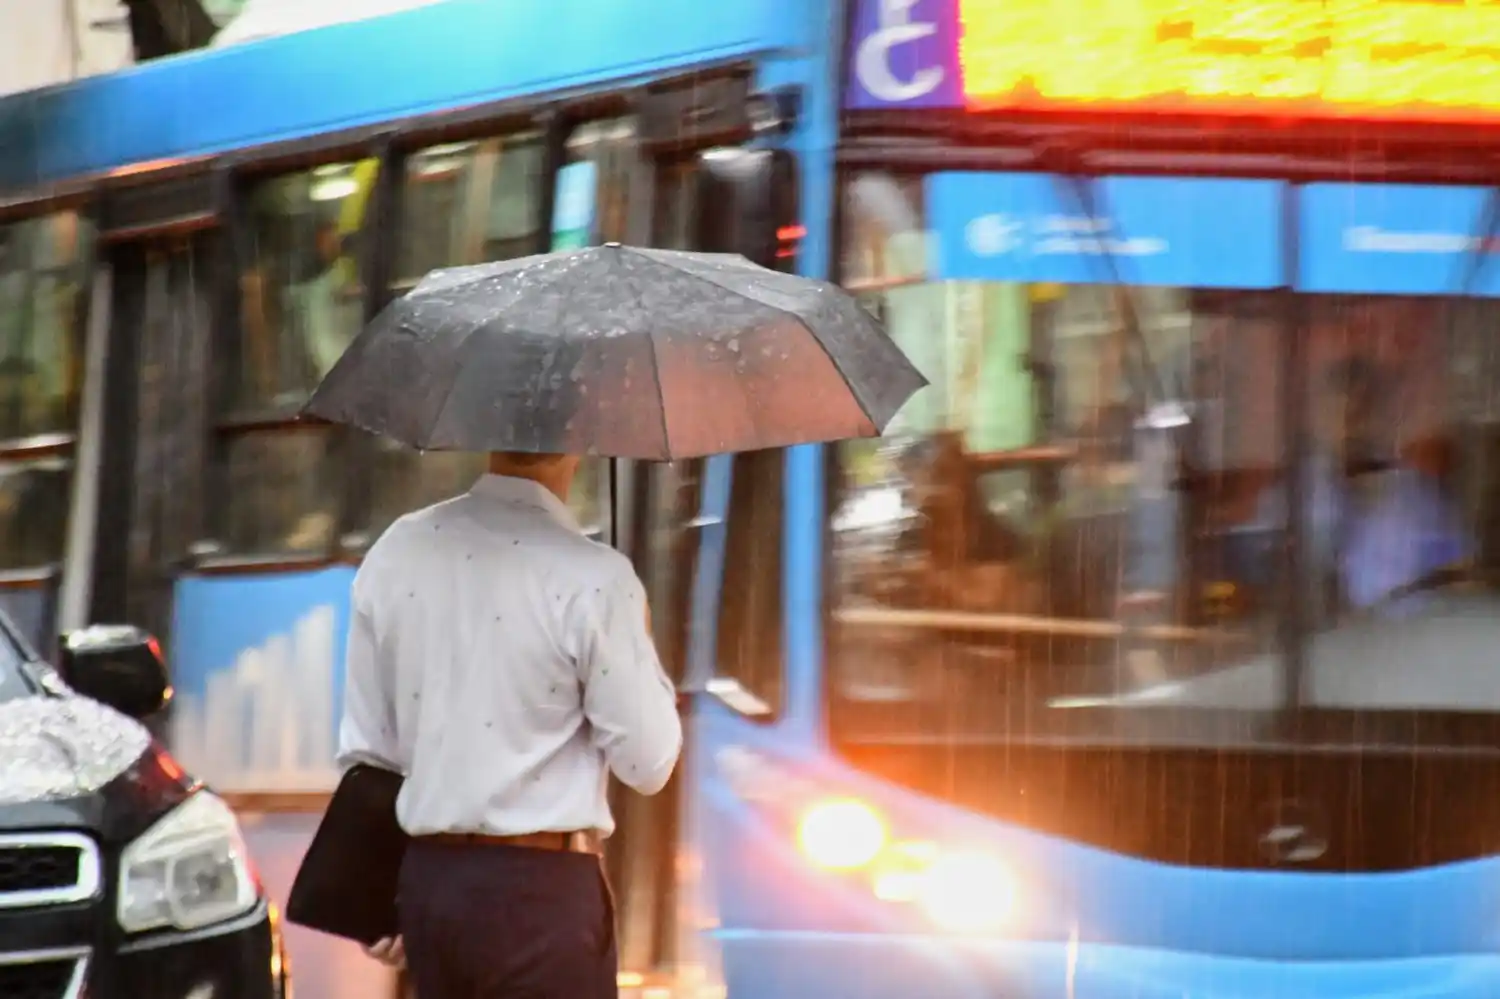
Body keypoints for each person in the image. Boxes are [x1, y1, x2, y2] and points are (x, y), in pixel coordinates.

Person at [335, 449, 683, 998]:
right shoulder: (595, 578)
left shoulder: (398, 550)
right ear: (580, 441)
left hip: (431, 888)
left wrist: (378, 888)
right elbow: (648, 764)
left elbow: (368, 750)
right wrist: (641, 644)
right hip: (543, 895)